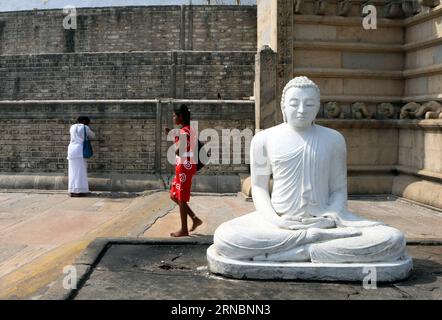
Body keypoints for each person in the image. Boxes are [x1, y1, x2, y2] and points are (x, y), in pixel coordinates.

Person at [212, 76, 407, 263]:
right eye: (294, 103)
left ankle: (301, 251)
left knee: (392, 239)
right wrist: (276, 220)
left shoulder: (333, 139)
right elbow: (259, 188)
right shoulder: (264, 139)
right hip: (280, 221)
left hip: (325, 222)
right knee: (226, 237)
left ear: (318, 107)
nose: (301, 110)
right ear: (283, 106)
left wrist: (330, 217)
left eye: (310, 104)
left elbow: (338, 189)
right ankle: (315, 246)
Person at [165, 104, 203, 237]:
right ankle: (194, 219)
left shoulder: (184, 131)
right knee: (174, 195)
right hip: (185, 166)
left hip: (184, 168)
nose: (173, 117)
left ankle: (184, 230)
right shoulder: (188, 130)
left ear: (181, 116)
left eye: (175, 115)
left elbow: (178, 150)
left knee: (181, 197)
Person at [67, 116, 95, 197]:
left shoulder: (72, 127)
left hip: (71, 151)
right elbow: (93, 135)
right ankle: (79, 191)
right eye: (87, 122)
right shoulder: (85, 127)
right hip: (80, 151)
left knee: (72, 172)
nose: (88, 124)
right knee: (80, 172)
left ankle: (72, 190)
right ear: (84, 121)